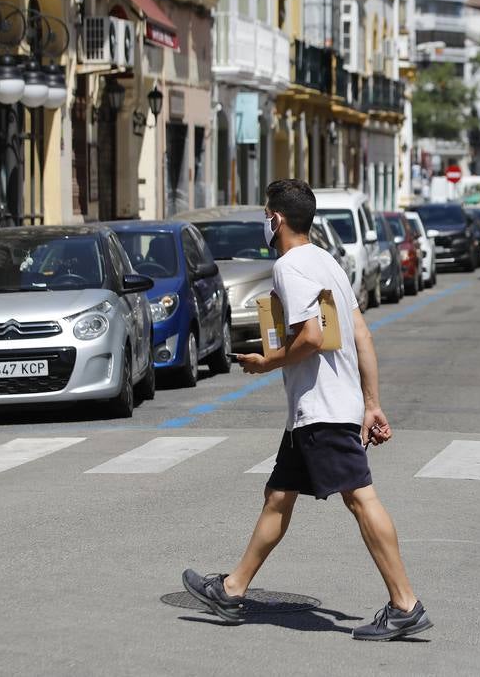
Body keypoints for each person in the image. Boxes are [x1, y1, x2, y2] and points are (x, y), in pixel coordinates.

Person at [180, 178, 432, 642]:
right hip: (321, 409)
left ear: (275, 219)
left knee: (360, 498)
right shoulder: (326, 263)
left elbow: (312, 337)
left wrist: (265, 361)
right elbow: (361, 336)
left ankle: (405, 603)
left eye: (265, 215)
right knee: (278, 496)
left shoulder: (290, 266)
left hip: (322, 408)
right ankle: (232, 590)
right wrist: (371, 403)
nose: (265, 222)